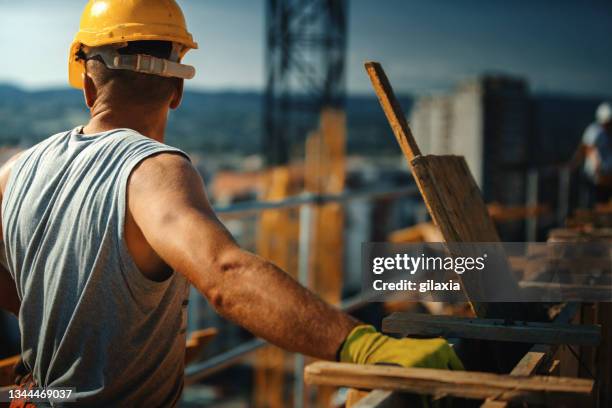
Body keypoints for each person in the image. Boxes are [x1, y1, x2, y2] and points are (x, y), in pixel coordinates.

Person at [0, 1, 462, 406]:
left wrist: (71, 324)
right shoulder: (154, 170)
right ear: (177, 90)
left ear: (86, 83)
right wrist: (360, 344)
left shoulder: (13, 172)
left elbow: (11, 286)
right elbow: (224, 276)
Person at [571, 102, 612, 204]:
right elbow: (588, 148)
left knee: (602, 204)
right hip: (594, 177)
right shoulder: (594, 130)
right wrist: (597, 168)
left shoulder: (605, 133)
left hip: (605, 178)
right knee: (593, 204)